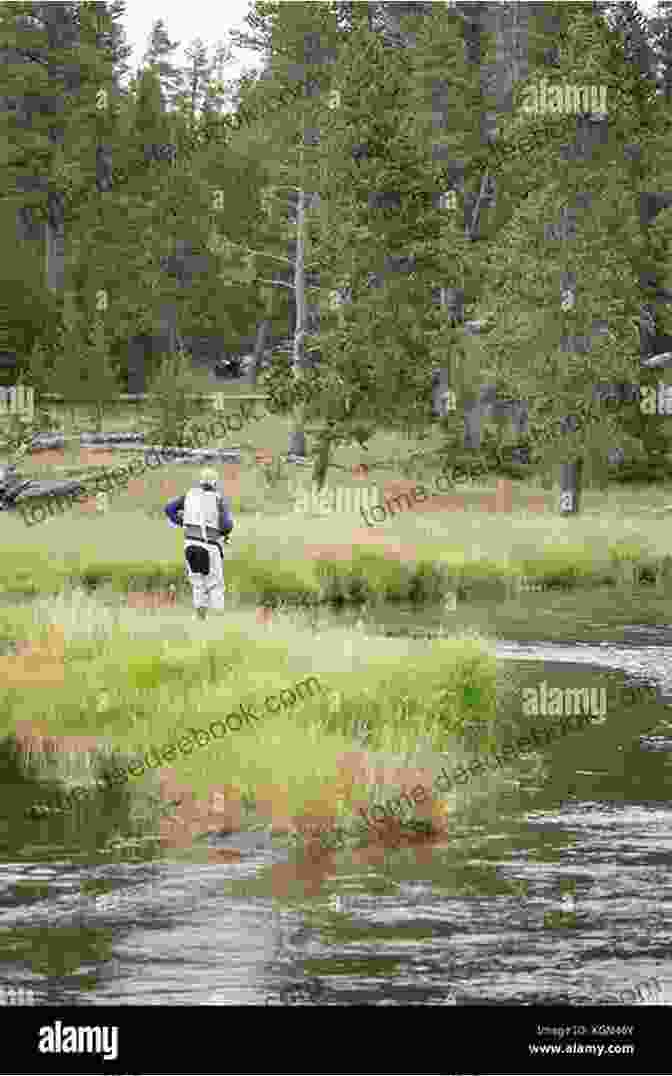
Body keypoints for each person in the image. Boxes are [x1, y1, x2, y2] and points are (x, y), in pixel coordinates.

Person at [164, 467, 234, 621]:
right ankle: (218, 621)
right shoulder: (218, 498)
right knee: (215, 584)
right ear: (215, 483)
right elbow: (227, 525)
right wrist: (223, 533)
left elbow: (169, 509)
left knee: (197, 583)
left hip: (189, 545)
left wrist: (183, 522)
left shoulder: (189, 495)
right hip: (210, 546)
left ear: (200, 482)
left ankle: (200, 619)